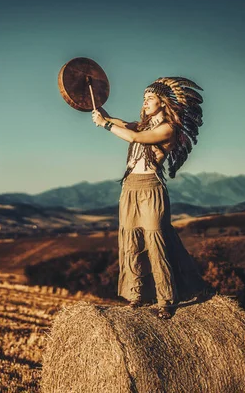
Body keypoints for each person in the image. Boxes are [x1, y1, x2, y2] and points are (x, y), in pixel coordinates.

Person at [91, 77, 208, 319]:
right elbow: (125, 125)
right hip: (129, 188)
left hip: (151, 189)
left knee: (156, 242)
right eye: (144, 99)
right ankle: (137, 296)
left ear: (163, 103)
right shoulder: (142, 125)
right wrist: (105, 115)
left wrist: (105, 125)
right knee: (131, 242)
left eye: (150, 98)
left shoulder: (167, 129)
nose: (145, 102)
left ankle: (166, 299)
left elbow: (134, 138)